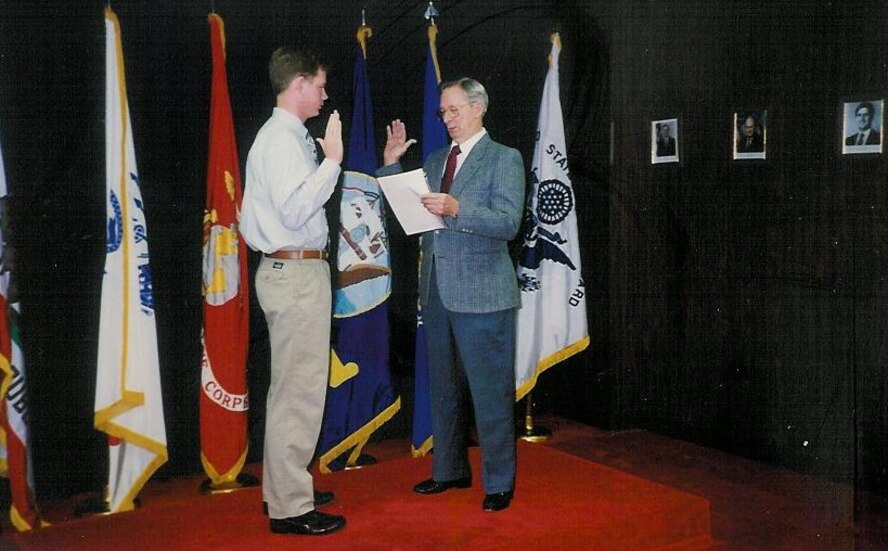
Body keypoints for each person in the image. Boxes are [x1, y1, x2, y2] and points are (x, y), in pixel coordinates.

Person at [379, 77, 525, 512]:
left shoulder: (505, 158)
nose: (446, 119)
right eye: (443, 112)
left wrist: (458, 209)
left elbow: (508, 223)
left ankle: (499, 482)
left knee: (490, 392)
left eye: (454, 110)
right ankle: (449, 470)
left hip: (484, 294)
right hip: (437, 289)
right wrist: (390, 167)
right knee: (442, 387)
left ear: (480, 107)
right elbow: (410, 212)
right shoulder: (437, 157)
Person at [240, 46, 345, 536]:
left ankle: (285, 487)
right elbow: (295, 212)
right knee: (297, 392)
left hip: (296, 272)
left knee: (291, 389)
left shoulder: (288, 137)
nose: (325, 95)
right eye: (320, 86)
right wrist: (333, 163)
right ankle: (290, 507)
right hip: (295, 274)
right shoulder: (281, 141)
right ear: (299, 84)